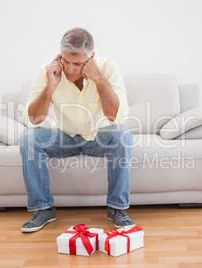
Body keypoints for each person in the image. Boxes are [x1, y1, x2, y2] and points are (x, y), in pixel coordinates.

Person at [19, 27, 135, 233]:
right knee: (28, 137)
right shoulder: (48, 71)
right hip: (64, 136)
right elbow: (34, 120)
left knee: (122, 134)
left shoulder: (108, 68)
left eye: (78, 63)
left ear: (91, 57)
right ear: (60, 55)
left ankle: (116, 208)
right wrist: (51, 86)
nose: (70, 70)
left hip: (98, 136)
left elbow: (114, 117)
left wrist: (99, 78)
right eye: (66, 61)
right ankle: (44, 209)